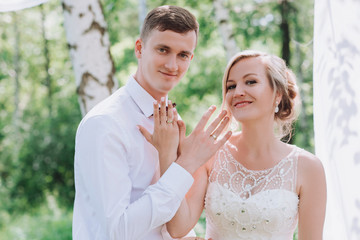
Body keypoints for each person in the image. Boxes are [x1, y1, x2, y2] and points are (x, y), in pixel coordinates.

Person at [72, 5, 231, 240]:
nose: (172, 65)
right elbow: (117, 232)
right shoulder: (105, 124)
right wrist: (186, 164)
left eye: (183, 55)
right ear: (139, 48)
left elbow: (164, 217)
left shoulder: (172, 119)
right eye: (163, 50)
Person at [142, 50, 327, 240]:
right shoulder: (211, 152)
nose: (237, 92)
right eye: (231, 86)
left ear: (278, 94)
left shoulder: (309, 167)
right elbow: (178, 227)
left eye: (251, 82)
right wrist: (167, 155)